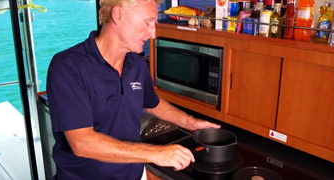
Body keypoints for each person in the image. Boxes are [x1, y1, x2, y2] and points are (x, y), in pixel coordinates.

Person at [46, 0, 221, 179]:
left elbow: (152, 103)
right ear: (118, 15)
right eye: (147, 22)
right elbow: (82, 143)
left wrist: (190, 123)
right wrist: (157, 153)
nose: (153, 33)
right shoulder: (68, 67)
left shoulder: (136, 64)